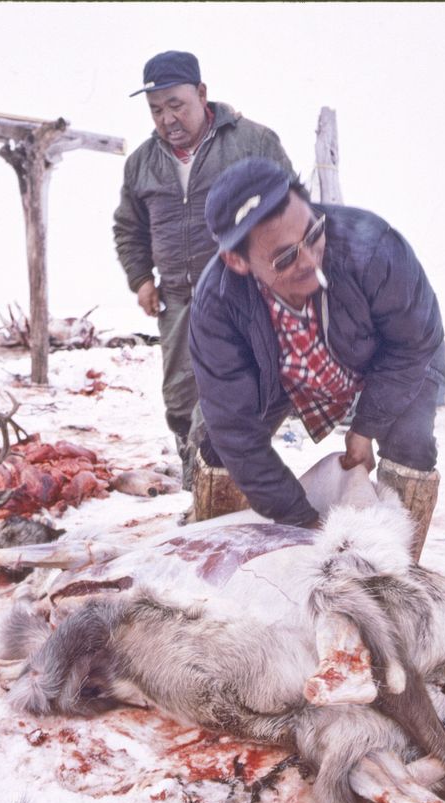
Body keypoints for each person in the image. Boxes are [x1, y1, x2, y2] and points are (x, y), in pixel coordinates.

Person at [189, 157, 445, 561]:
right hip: (288, 370)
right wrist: (303, 523)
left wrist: (365, 430)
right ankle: (217, 566)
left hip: (393, 358)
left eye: (313, 233)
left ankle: (398, 577)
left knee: (412, 446)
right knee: (221, 452)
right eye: (284, 258)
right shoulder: (216, 306)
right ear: (237, 261)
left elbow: (413, 344)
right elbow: (236, 431)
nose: (310, 260)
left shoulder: (375, 248)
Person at [113, 51, 294, 488]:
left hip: (240, 298)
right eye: (156, 110)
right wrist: (140, 279)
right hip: (177, 298)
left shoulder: (253, 142)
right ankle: (198, 478)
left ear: (201, 93)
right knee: (179, 400)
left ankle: (223, 485)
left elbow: (292, 210)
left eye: (176, 104)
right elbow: (128, 227)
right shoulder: (141, 163)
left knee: (227, 399)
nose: (167, 118)